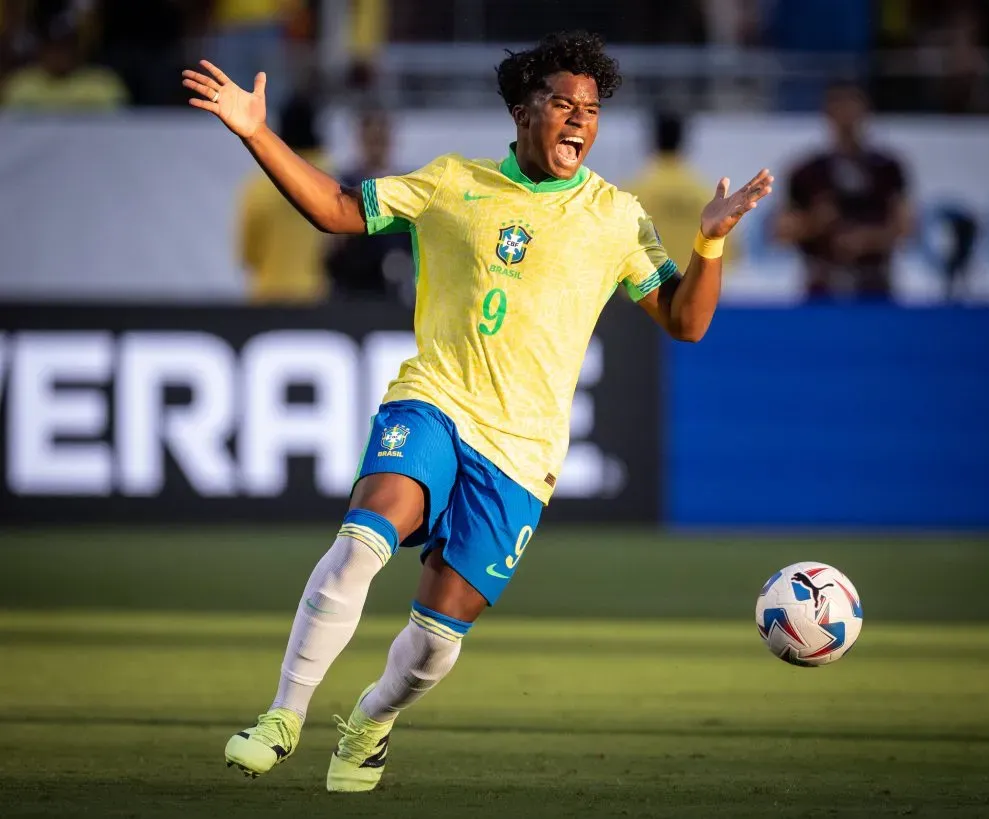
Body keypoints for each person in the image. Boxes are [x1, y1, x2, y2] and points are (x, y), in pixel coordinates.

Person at [182, 30, 771, 793]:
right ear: (523, 111)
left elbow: (686, 323)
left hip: (523, 452)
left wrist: (711, 243)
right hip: (435, 399)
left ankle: (371, 722)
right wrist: (257, 130)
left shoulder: (617, 218)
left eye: (590, 109)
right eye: (562, 103)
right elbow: (333, 208)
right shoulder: (449, 185)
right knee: (364, 537)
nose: (579, 121)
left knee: (434, 642)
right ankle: (283, 715)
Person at [774, 81, 913, 301]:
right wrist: (814, 222)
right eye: (839, 105)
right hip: (823, 282)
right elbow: (781, 231)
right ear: (827, 112)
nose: (846, 114)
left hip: (874, 283)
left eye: (851, 104)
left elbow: (906, 227)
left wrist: (867, 239)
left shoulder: (887, 169)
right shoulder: (807, 172)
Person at [237, 92, 332, 304]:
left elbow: (248, 255)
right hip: (315, 299)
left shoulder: (258, 186)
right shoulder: (330, 179)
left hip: (267, 297)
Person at [624, 110, 740, 270]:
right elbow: (728, 252)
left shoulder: (631, 193)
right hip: (693, 288)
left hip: (643, 289)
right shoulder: (706, 195)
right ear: (683, 142)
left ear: (652, 141)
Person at [325, 107, 415, 303]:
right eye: (371, 140)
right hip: (351, 288)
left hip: (394, 292)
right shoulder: (345, 184)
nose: (376, 147)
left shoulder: (406, 186)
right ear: (361, 141)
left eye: (381, 140)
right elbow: (330, 247)